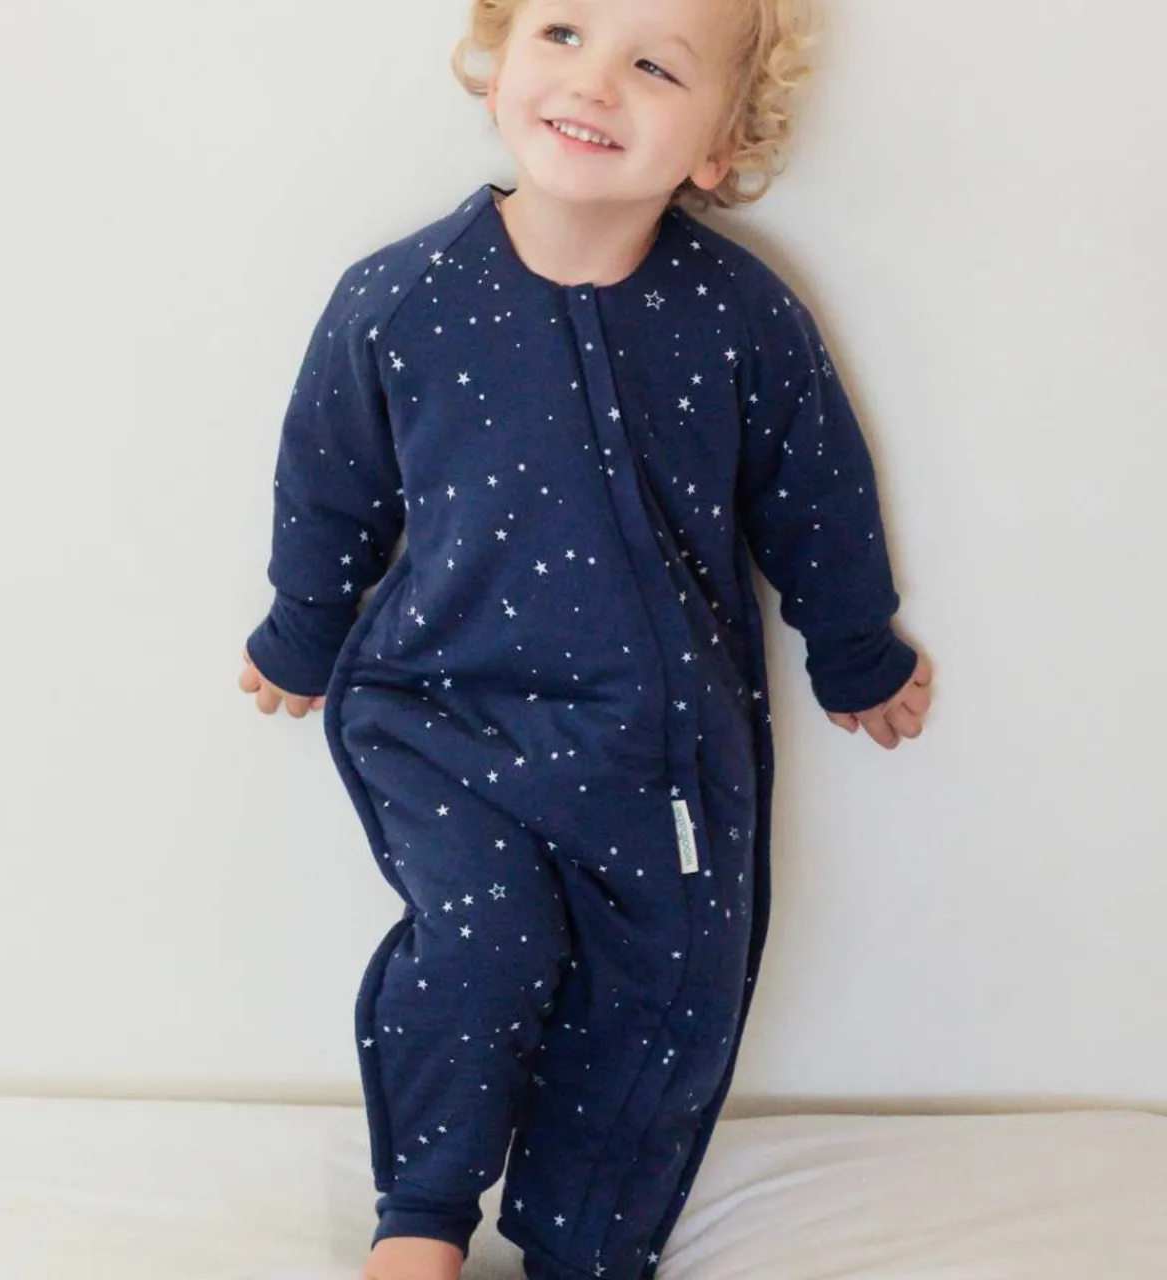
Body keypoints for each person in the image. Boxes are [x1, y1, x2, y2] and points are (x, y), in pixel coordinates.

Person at [239, 0, 933, 1275]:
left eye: (653, 65)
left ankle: (588, 1242)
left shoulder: (740, 316)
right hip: (442, 715)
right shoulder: (399, 299)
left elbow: (814, 494)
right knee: (484, 941)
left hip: (653, 744)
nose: (595, 81)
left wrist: (854, 649)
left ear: (718, 146)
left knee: (667, 983)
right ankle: (423, 1214)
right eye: (561, 32)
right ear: (496, 59)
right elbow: (331, 479)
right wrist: (299, 632)